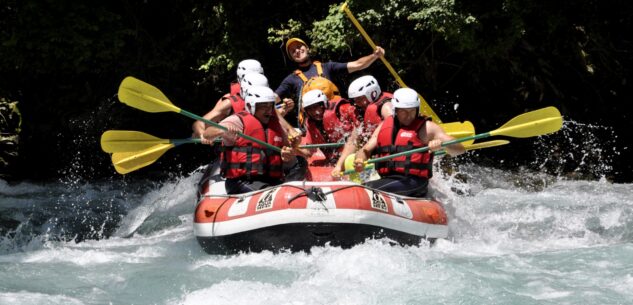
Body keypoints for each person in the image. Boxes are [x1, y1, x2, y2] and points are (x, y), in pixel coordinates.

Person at [351, 88, 465, 197]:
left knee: (362, 190)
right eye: (403, 111)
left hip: (414, 182)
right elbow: (365, 150)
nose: (409, 115)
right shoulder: (384, 126)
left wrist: (441, 144)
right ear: (395, 110)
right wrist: (360, 159)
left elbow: (460, 149)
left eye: (412, 111)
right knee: (362, 187)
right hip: (388, 179)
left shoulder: (427, 128)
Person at [202, 86, 304, 194]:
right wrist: (222, 130)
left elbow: (287, 147)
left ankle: (291, 192)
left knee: (301, 163)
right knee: (267, 189)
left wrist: (287, 153)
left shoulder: (274, 124)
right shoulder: (237, 120)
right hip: (243, 181)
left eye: (270, 105)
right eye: (263, 106)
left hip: (271, 180)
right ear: (251, 106)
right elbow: (208, 133)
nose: (268, 110)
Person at [192, 60, 295, 143]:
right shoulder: (229, 101)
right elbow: (199, 122)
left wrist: (285, 112)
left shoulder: (265, 98)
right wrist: (202, 135)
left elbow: (278, 121)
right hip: (236, 147)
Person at [275, 37, 385, 114]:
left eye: (299, 47)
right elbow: (273, 98)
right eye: (293, 51)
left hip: (335, 115)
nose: (297, 51)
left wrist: (375, 56)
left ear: (307, 48)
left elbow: (358, 64)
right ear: (292, 57)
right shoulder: (291, 79)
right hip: (313, 123)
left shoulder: (328, 67)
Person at [331, 75, 393, 177]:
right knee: (349, 161)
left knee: (356, 162)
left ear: (373, 93)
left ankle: (367, 184)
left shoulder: (386, 106)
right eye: (355, 100)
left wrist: (364, 152)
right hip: (373, 153)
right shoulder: (362, 112)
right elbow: (353, 140)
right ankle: (361, 184)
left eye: (360, 98)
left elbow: (387, 126)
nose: (357, 103)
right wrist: (338, 166)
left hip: (389, 155)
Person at [300, 89, 357, 166]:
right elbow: (308, 151)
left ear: (324, 104)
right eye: (309, 109)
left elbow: (360, 125)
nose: (314, 112)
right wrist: (295, 149)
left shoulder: (341, 109)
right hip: (334, 160)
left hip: (353, 154)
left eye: (316, 107)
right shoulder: (311, 124)